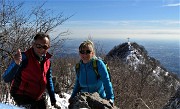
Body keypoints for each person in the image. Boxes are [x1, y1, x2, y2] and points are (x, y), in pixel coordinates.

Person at [2, 32, 60, 109]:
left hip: (37, 97)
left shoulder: (47, 61)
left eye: (45, 47)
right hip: (22, 95)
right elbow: (6, 78)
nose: (42, 49)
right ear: (33, 44)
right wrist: (16, 64)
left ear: (48, 47)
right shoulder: (24, 57)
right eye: (38, 46)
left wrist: (53, 99)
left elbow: (48, 80)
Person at [69, 40, 114, 106]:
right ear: (79, 53)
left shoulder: (98, 64)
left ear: (92, 53)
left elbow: (106, 81)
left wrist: (110, 98)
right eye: (82, 52)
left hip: (99, 100)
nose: (85, 54)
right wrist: (72, 97)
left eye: (88, 52)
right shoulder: (78, 67)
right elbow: (77, 84)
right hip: (84, 100)